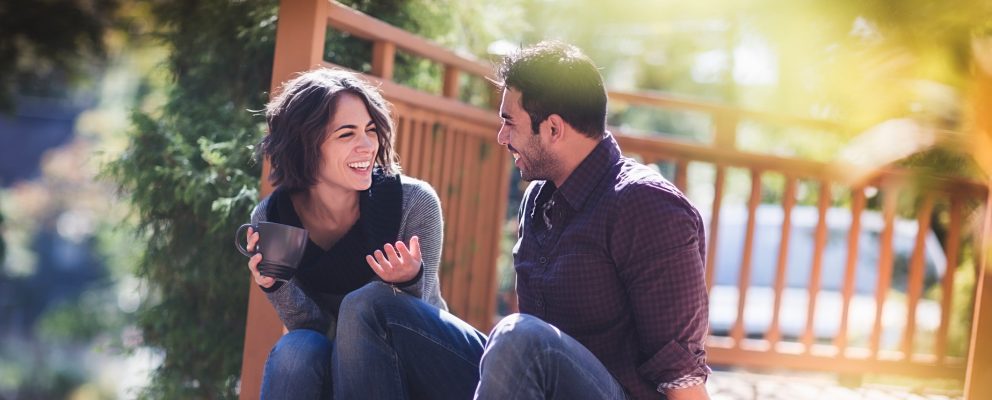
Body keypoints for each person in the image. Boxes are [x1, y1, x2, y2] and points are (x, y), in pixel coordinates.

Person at [472, 41, 712, 399]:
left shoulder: (645, 205)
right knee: (381, 311)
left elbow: (681, 375)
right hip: (541, 385)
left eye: (509, 122)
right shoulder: (539, 198)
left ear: (553, 129)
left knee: (518, 336)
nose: (501, 137)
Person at [244, 68, 486, 399]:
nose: (367, 145)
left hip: (421, 365)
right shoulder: (274, 218)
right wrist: (275, 285)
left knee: (365, 302)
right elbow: (314, 331)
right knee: (296, 350)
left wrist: (408, 282)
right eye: (346, 134)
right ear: (304, 145)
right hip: (341, 367)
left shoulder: (412, 203)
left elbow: (422, 326)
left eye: (370, 130)